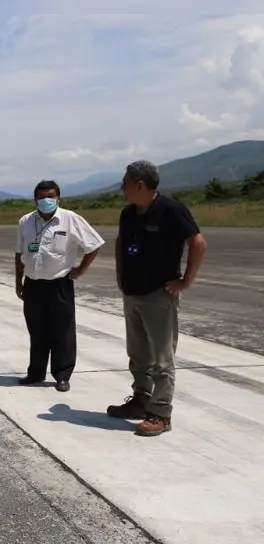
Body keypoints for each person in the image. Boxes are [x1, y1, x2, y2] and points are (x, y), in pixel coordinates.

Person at [107, 160, 207, 436]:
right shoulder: (128, 214)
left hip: (158, 295)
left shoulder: (172, 211)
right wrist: (120, 275)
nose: (122, 188)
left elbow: (197, 242)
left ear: (140, 185)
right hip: (133, 294)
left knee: (162, 358)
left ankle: (161, 413)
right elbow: (120, 243)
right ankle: (140, 400)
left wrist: (186, 281)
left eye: (125, 183)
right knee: (138, 354)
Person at [14, 179, 105, 391]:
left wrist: (80, 270)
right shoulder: (25, 221)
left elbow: (93, 245)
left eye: (51, 197)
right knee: (36, 331)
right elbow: (19, 254)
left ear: (58, 198)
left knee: (62, 331)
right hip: (33, 284)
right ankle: (35, 373)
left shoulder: (69, 219)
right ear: (35, 199)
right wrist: (18, 282)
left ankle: (62, 375)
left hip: (59, 284)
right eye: (42, 197)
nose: (46, 201)